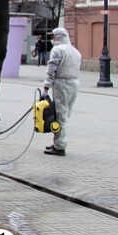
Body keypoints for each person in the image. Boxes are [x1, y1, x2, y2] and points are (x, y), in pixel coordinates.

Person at [43, 27, 81, 156]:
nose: (53, 39)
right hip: (75, 84)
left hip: (62, 84)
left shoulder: (57, 50)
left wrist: (46, 87)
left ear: (58, 37)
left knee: (60, 115)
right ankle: (57, 142)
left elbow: (51, 69)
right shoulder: (76, 52)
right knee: (65, 114)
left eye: (54, 37)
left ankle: (59, 146)